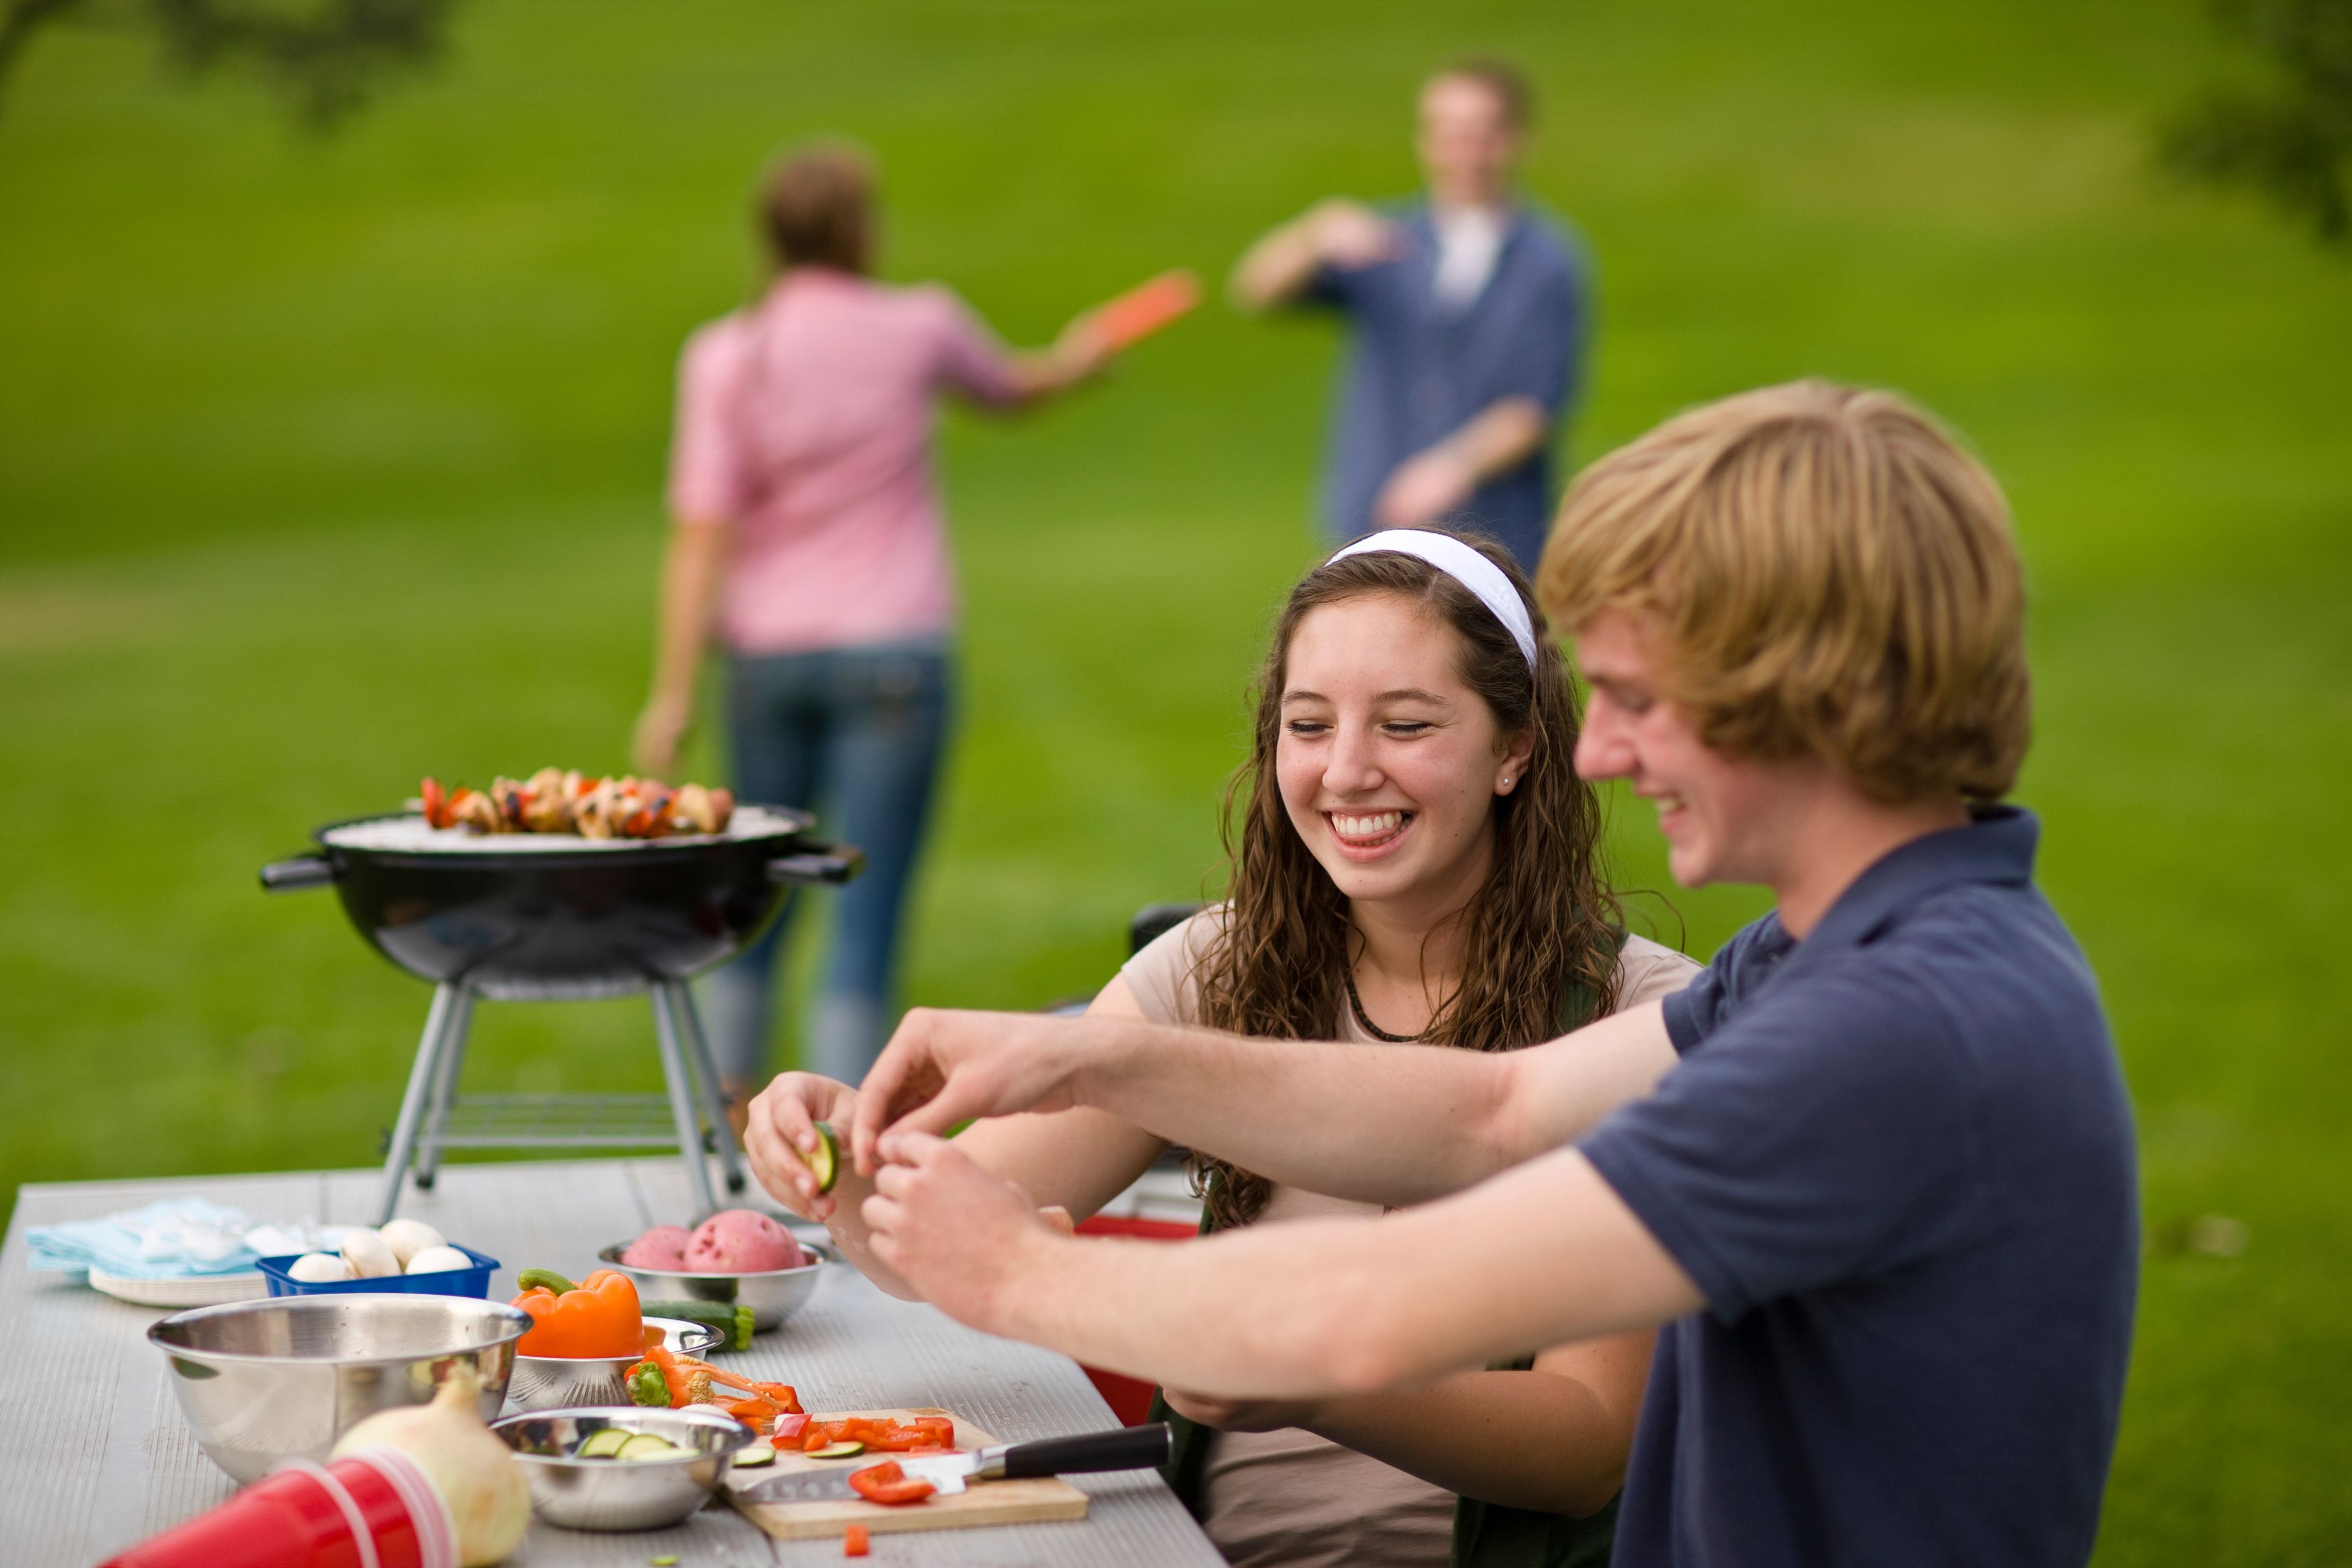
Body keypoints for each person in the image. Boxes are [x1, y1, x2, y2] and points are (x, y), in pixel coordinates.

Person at [835, 383, 2139, 1568]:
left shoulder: (1891, 1032)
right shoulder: (1830, 954)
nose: (1599, 752)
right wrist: (1098, 1053)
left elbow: (1373, 1321)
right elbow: (1494, 1111)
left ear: (1800, 691)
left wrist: (1021, 1276)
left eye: (1634, 693)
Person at [746, 527, 1698, 1567]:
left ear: (1515, 748)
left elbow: (1586, 1446)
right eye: (1308, 724)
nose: (1345, 772)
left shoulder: (1638, 1017)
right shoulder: (1220, 968)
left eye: (1408, 724)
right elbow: (925, 1242)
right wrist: (837, 1155)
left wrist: (1308, 1371)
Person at [631, 140, 1112, 1096]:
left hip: (767, 663)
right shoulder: (916, 325)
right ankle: (835, 1151)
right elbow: (1013, 390)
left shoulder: (727, 355)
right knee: (865, 908)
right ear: (858, 228)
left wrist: (672, 693)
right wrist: (1081, 358)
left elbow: (700, 531)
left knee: (752, 898)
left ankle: (723, 1126)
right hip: (896, 654)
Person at [1231, 59, 1588, 576]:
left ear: (1514, 140)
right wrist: (1314, 233)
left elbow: (1533, 408)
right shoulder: (1385, 242)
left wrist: (1451, 467)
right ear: (1426, 140)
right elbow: (1257, 291)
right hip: (1373, 524)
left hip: (1493, 535)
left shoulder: (1548, 262)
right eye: (1449, 132)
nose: (1464, 150)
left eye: (1481, 132)